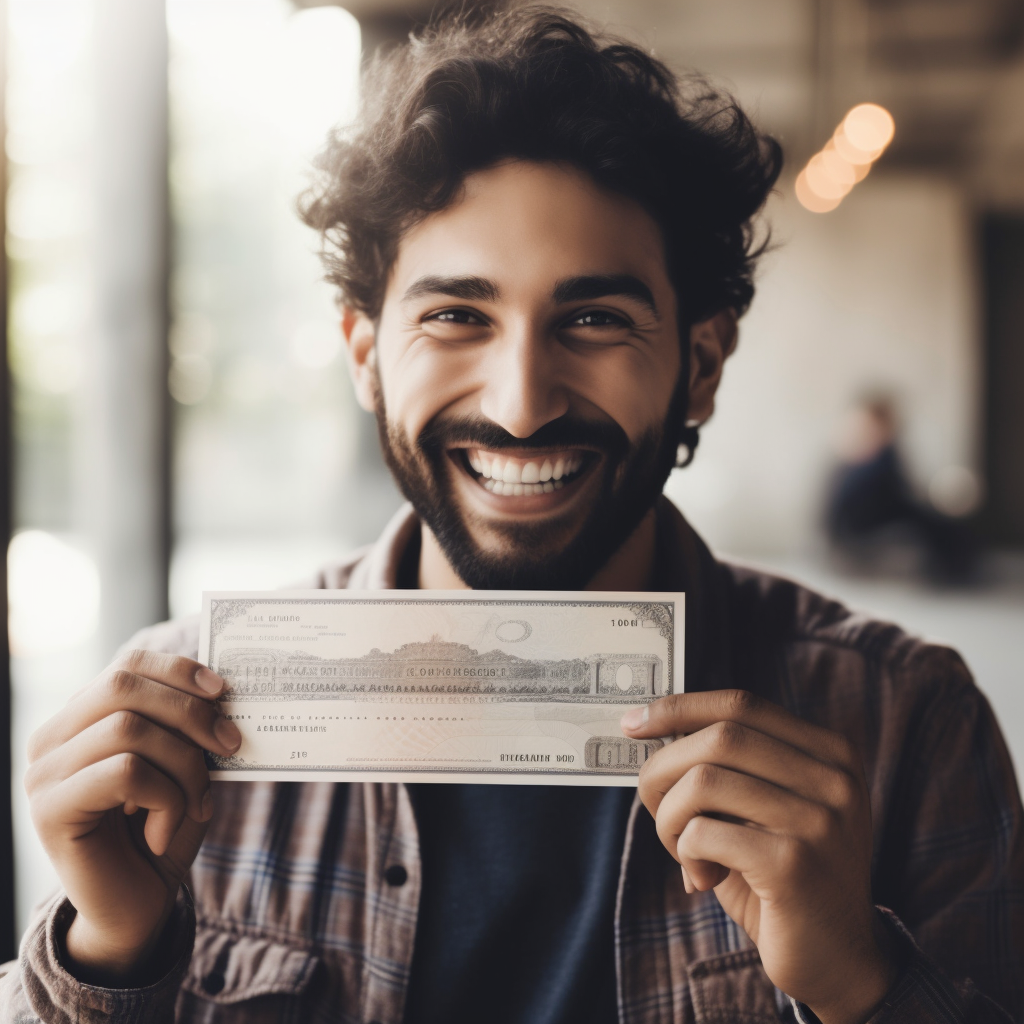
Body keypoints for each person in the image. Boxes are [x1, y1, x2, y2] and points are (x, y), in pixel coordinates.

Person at [4, 7, 1021, 1023]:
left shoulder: (907, 725)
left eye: (593, 319)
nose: (520, 402)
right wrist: (106, 952)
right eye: (456, 315)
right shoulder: (182, 730)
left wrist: (860, 984)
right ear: (365, 353)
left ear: (701, 365)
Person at [825, 394, 978, 584]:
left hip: (854, 536)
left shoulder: (865, 457)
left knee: (939, 526)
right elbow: (897, 499)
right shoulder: (875, 459)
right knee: (935, 529)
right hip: (856, 541)